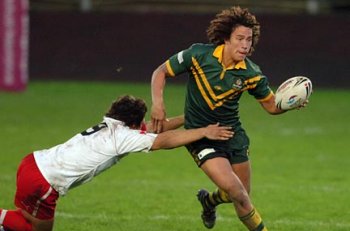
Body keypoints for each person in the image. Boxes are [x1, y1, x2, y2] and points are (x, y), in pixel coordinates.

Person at [151, 6, 308, 231]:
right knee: (239, 194)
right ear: (226, 38)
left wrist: (291, 103)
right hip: (201, 137)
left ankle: (208, 201)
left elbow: (272, 106)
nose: (245, 45)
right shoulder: (198, 55)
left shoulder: (251, 73)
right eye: (240, 38)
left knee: (241, 195)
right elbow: (160, 72)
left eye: (249, 40)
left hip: (232, 135)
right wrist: (158, 103)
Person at [0, 95, 234, 231]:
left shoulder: (112, 126)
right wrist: (204, 131)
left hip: (32, 163)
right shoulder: (122, 137)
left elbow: (153, 129)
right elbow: (163, 140)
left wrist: (190, 118)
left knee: (21, 221)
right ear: (133, 122)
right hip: (44, 182)